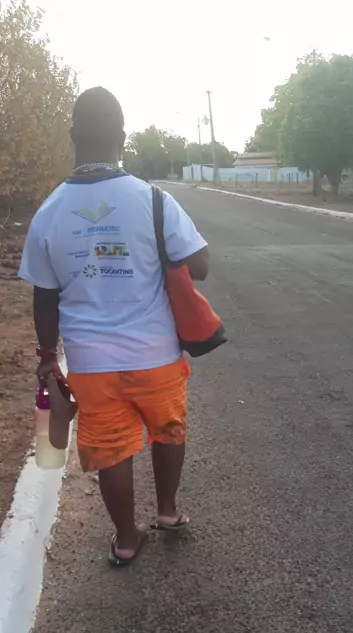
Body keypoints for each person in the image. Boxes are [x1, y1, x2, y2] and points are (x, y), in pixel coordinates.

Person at [18, 87, 209, 566]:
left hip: (91, 362)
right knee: (168, 430)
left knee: (110, 449)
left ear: (73, 136)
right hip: (157, 353)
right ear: (122, 138)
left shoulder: (49, 211)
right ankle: (167, 511)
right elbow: (200, 265)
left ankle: (126, 539)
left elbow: (44, 296)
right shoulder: (153, 199)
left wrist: (47, 357)